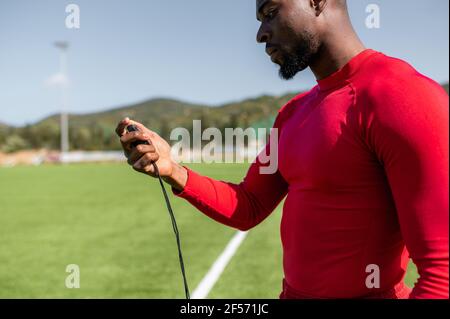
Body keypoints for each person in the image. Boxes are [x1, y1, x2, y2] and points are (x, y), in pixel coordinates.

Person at [116, 0, 449, 298]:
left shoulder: (402, 96)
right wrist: (173, 170)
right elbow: (248, 205)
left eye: (270, 13)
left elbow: (442, 275)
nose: (260, 34)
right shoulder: (293, 113)